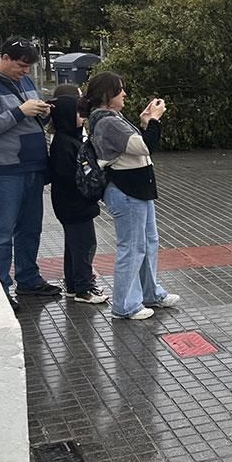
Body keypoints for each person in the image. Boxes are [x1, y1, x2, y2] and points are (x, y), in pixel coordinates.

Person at [0, 36, 62, 310]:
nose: (26, 72)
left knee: (30, 228)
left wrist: (43, 112)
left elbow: (31, 117)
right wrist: (20, 112)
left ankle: (28, 280)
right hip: (4, 171)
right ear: (4, 58)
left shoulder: (26, 82)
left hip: (33, 166)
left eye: (29, 67)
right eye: (21, 65)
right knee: (0, 232)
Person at [81, 72, 180, 320]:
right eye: (120, 90)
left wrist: (145, 120)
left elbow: (136, 144)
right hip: (126, 191)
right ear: (107, 95)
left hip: (138, 189)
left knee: (148, 243)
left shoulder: (114, 117)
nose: (124, 94)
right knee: (132, 248)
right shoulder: (107, 122)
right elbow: (145, 146)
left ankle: (150, 293)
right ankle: (125, 305)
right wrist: (154, 121)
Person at [47, 84, 106, 305]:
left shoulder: (65, 140)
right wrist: (93, 189)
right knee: (85, 245)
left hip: (70, 205)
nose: (83, 118)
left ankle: (73, 285)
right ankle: (84, 287)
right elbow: (72, 176)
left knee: (74, 245)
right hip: (75, 205)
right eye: (78, 114)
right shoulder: (65, 144)